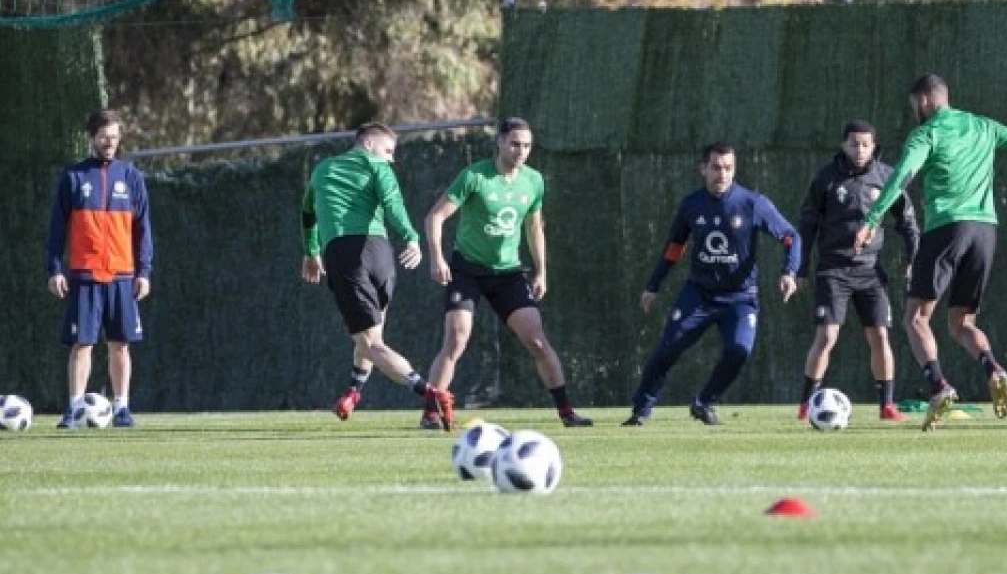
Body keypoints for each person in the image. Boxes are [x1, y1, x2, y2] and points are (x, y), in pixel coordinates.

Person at [856, 74, 1007, 431]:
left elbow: (903, 174)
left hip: (946, 228)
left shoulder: (926, 133)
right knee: (963, 323)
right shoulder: (983, 126)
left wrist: (873, 218)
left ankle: (939, 386)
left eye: (913, 106)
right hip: (985, 231)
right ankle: (992, 367)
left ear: (923, 102)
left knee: (915, 319)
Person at [421, 118, 592, 430]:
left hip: (509, 273)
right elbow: (435, 217)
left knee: (538, 341)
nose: (521, 151)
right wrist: (437, 259)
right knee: (456, 339)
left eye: (527, 145)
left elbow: (533, 226)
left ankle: (567, 412)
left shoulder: (534, 181)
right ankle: (431, 413)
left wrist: (541, 271)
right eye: (515, 143)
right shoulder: (475, 176)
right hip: (467, 270)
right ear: (499, 142)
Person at [624, 143, 801, 426]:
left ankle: (705, 402)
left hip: (740, 298)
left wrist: (789, 271)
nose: (722, 174)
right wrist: (654, 285)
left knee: (739, 351)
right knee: (668, 350)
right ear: (703, 168)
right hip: (699, 295)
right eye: (716, 167)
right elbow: (674, 248)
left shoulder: (752, 203)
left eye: (728, 168)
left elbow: (791, 236)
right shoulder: (691, 204)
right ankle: (641, 410)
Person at [302, 123, 454, 428]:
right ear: (368, 145)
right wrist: (411, 237)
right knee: (373, 338)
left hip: (345, 255)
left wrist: (311, 251)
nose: (391, 159)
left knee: (371, 344)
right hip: (381, 254)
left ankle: (432, 393)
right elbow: (393, 205)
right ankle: (353, 392)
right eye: (388, 151)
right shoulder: (377, 167)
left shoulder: (322, 170)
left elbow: (308, 215)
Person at [796, 120, 920, 423]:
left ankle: (887, 405)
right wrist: (799, 268)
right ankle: (805, 404)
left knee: (880, 335)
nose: (860, 150)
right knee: (826, 336)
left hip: (870, 272)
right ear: (843, 145)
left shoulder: (888, 177)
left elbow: (908, 224)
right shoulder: (826, 178)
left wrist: (913, 258)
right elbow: (807, 225)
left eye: (866, 144)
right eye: (854, 143)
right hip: (833, 269)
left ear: (874, 146)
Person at [47, 109, 153, 429]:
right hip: (84, 274)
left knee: (120, 344)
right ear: (91, 137)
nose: (109, 143)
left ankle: (122, 407)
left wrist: (144, 272)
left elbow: (143, 229)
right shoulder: (74, 177)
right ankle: (76, 409)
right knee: (83, 345)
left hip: (122, 275)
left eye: (114, 137)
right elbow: (56, 228)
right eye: (104, 137)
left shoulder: (131, 177)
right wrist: (54, 268)